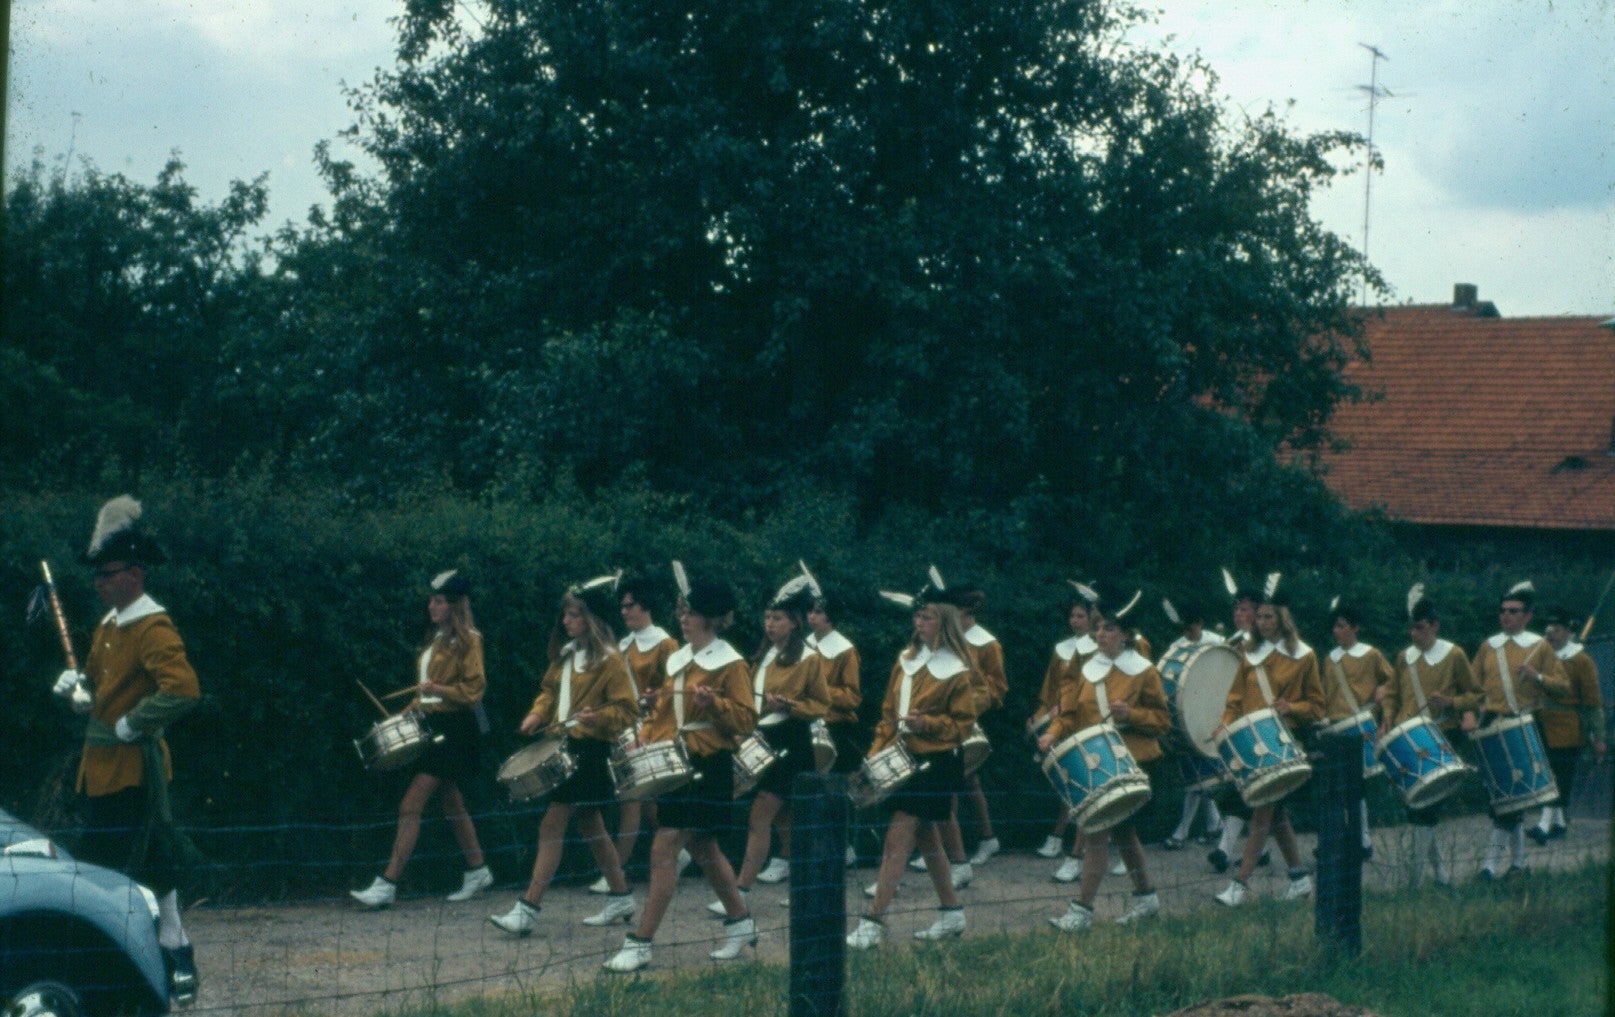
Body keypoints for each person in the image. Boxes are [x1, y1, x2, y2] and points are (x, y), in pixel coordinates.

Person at [54, 496, 202, 1001]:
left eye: (107, 574)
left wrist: (133, 725)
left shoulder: (152, 625)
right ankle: (174, 948)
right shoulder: (109, 624)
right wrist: (77, 690)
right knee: (147, 863)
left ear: (135, 574)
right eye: (95, 575)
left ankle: (108, 977)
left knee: (102, 875)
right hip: (100, 768)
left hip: (132, 768)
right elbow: (98, 688)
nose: (98, 582)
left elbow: (182, 689)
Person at [603, 577, 757, 972]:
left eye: (690, 613)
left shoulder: (731, 663)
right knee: (705, 849)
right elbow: (665, 714)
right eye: (683, 612)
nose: (683, 619)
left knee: (665, 846)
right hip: (680, 762)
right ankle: (741, 923)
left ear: (710, 619)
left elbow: (745, 720)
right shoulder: (681, 658)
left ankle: (641, 942)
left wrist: (716, 704)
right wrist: (645, 736)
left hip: (708, 765)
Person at [489, 576, 640, 934]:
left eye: (574, 615)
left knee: (552, 824)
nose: (566, 621)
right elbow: (548, 690)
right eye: (566, 615)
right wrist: (537, 714)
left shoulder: (611, 661)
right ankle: (620, 895)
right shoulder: (568, 655)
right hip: (565, 744)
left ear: (592, 619)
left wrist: (597, 716)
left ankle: (529, 908)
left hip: (591, 749)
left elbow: (628, 711)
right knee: (590, 824)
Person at [847, 578, 980, 950]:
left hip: (937, 762)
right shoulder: (906, 660)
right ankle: (952, 912)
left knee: (899, 833)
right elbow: (889, 712)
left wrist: (928, 724)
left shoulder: (956, 668)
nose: (919, 623)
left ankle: (873, 921)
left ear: (945, 622)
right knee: (927, 837)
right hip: (903, 757)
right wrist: (877, 749)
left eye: (928, 618)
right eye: (918, 617)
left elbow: (963, 726)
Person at [351, 570, 493, 908]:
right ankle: (478, 869)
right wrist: (412, 706)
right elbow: (428, 691)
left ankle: (387, 883)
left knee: (410, 804)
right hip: (434, 723)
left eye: (439, 601)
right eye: (432, 600)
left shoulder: (470, 639)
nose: (431, 605)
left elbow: (473, 691)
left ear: (455, 605)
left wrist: (437, 690)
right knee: (451, 801)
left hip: (455, 728)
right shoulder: (437, 640)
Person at [1040, 610, 1170, 929]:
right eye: (1098, 628)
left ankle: (1082, 911)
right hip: (1096, 764)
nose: (1100, 634)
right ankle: (1146, 899)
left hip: (1132, 763)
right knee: (1124, 834)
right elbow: (1070, 714)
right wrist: (1053, 732)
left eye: (1108, 629)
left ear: (1124, 635)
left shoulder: (1144, 672)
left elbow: (1163, 723)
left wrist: (1132, 715)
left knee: (1095, 831)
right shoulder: (1086, 669)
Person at [710, 574, 830, 910]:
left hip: (792, 741)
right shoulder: (762, 655)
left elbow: (822, 705)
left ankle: (741, 891)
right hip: (764, 738)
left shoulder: (809, 658)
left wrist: (789, 706)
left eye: (777, 618)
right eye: (767, 617)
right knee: (785, 821)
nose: (770, 624)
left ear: (794, 622)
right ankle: (806, 884)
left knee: (759, 816)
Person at [1213, 591, 1323, 906]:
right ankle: (1299, 878)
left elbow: (1317, 706)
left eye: (1268, 617)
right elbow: (1234, 698)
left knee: (1263, 810)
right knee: (1275, 816)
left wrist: (1293, 707)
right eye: (1258, 617)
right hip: (1249, 746)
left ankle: (1240, 884)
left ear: (1282, 619)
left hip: (1282, 745)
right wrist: (1225, 724)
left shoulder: (1305, 655)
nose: (1261, 623)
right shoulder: (1249, 654)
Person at [1462, 582, 1569, 879]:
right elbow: (1472, 689)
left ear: (1527, 615)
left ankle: (1489, 866)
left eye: (1513, 611)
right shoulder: (1489, 646)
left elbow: (1563, 686)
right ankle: (1519, 864)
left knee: (1510, 803)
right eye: (1503, 611)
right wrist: (1469, 713)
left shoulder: (1540, 646)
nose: (1506, 616)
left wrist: (1539, 676)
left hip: (1526, 727)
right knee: (1507, 799)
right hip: (1493, 727)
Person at [585, 574, 681, 893]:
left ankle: (618, 871)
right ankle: (683, 854)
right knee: (648, 801)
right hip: (627, 728)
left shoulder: (665, 643)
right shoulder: (623, 645)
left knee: (632, 798)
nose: (624, 612)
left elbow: (676, 687)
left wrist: (657, 697)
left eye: (631, 606)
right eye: (622, 607)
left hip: (654, 727)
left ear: (646, 606)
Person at [1376, 591, 1481, 885]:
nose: (1414, 633)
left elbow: (1475, 694)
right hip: (1406, 738)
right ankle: (1441, 875)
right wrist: (1386, 718)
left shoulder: (1454, 654)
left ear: (1434, 626)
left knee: (1425, 806)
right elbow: (1393, 693)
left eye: (1420, 627)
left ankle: (1416, 878)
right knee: (1421, 806)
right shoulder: (1403, 657)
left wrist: (1451, 703)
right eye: (1411, 628)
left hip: (1440, 736)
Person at [1032, 585, 1098, 866]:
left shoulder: (1101, 648)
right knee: (1067, 781)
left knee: (1085, 783)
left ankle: (1068, 842)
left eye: (1081, 615)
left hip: (1087, 720)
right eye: (1073, 615)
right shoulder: (1063, 649)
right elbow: (1050, 689)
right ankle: (1060, 837)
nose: (1075, 620)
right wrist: (1041, 715)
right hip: (1063, 721)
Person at [1322, 602, 1394, 859]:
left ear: (1355, 628)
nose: (1336, 631)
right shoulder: (1330, 659)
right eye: (1335, 626)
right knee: (1336, 787)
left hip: (1360, 722)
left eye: (1341, 626)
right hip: (1336, 727)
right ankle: (1339, 838)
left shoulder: (1371, 654)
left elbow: (1392, 681)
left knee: (1357, 785)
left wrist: (1383, 692)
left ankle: (1362, 838)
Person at [803, 572, 864, 866]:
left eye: (818, 612)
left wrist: (820, 692)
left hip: (836, 727)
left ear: (831, 618)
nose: (812, 617)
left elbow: (852, 696)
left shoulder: (844, 650)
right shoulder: (803, 646)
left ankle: (846, 846)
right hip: (806, 724)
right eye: (811, 611)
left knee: (836, 791)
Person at [1530, 608, 1606, 842]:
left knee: (1558, 776)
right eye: (1549, 629)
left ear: (1568, 633)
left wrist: (1598, 736)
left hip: (1568, 727)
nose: (1551, 633)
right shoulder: (1542, 657)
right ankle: (1560, 824)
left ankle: (1543, 825)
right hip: (1542, 722)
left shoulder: (1581, 660)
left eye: (1558, 629)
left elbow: (1593, 702)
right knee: (1547, 774)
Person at [1159, 599, 1225, 851]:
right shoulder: (1176, 647)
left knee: (1204, 781)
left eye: (1192, 626)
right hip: (1188, 721)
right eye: (1184, 627)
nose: (1189, 631)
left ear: (1201, 623)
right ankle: (1213, 826)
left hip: (1214, 718)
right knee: (1198, 780)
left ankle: (1182, 832)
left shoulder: (1217, 643)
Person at [1207, 578, 1261, 874]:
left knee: (1250, 791)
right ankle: (1257, 850)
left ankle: (1225, 850)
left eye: (1244, 609)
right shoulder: (1231, 646)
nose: (1238, 615)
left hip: (1259, 726)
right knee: (1247, 791)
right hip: (1236, 723)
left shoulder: (1265, 650)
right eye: (1236, 609)